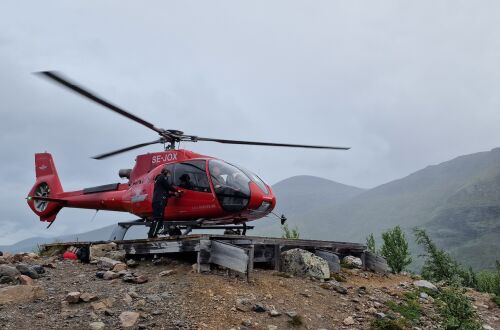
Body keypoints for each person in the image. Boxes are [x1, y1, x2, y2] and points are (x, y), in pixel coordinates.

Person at [148, 167, 179, 238]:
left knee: (159, 219)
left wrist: (174, 194)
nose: (169, 176)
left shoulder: (159, 182)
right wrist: (176, 190)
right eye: (169, 174)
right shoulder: (162, 177)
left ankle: (153, 234)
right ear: (166, 172)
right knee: (158, 218)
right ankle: (152, 235)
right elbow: (168, 186)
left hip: (158, 201)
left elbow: (165, 192)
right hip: (159, 201)